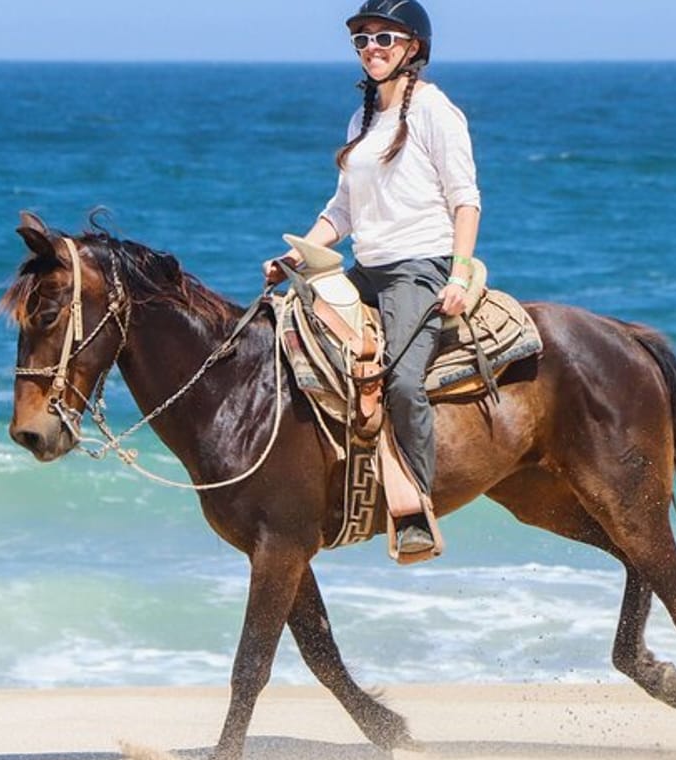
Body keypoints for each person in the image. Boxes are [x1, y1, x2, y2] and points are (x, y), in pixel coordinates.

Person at [264, 0, 481, 556]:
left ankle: (417, 509)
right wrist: (297, 255)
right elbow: (342, 211)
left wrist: (458, 276)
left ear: (414, 47)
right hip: (365, 269)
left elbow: (465, 200)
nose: (372, 49)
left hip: (419, 268)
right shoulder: (361, 120)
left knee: (403, 382)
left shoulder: (436, 111)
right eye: (363, 40)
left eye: (385, 38)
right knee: (287, 334)